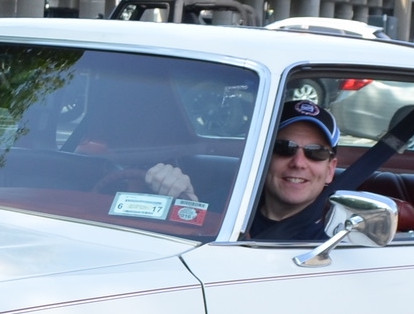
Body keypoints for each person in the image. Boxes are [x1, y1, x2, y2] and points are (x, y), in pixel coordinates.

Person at [145, 99, 344, 241]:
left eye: (315, 152)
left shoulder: (339, 237)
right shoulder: (227, 206)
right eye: (284, 148)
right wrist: (183, 201)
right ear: (260, 158)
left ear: (330, 170)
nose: (299, 162)